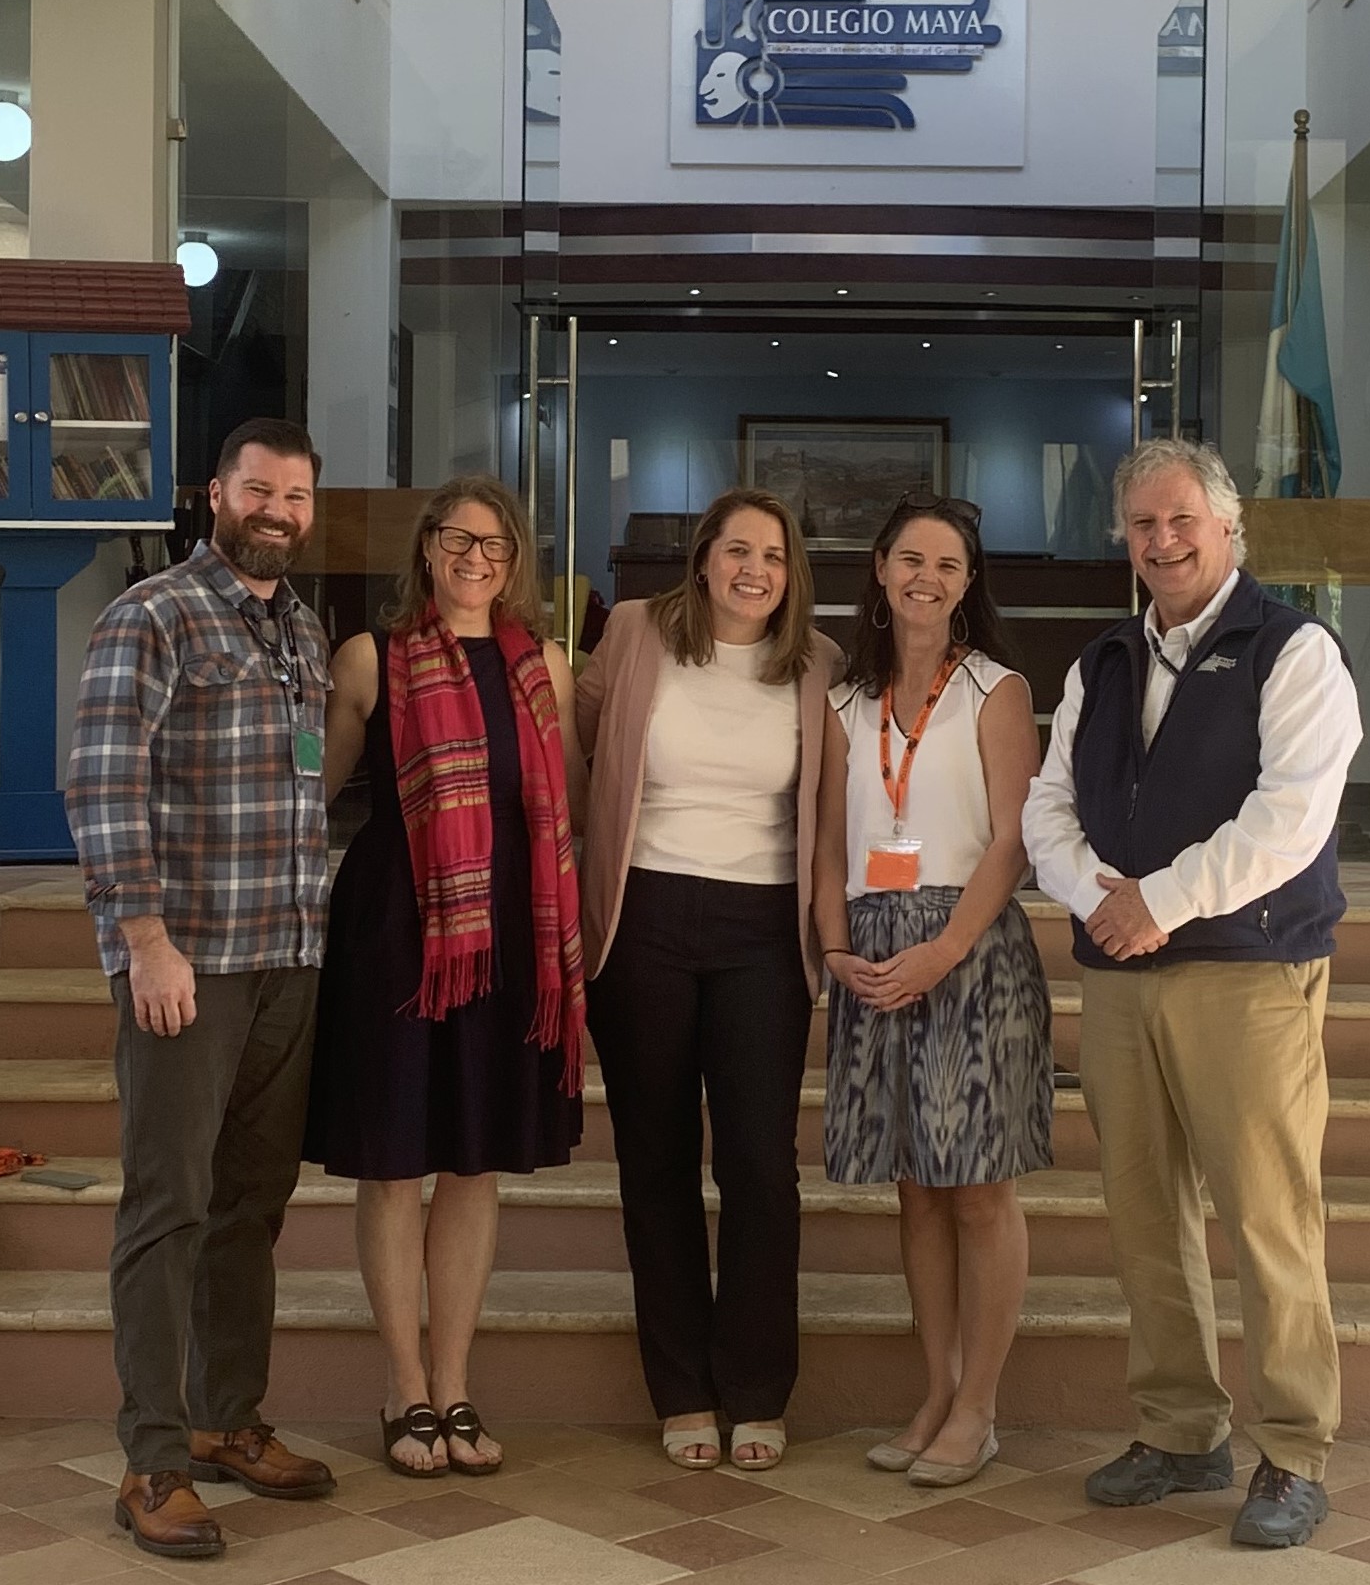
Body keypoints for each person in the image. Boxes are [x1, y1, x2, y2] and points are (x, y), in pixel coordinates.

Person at [1023, 437, 1362, 1549]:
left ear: (1228, 528)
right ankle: (1179, 1432)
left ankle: (1294, 1450)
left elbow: (1290, 817)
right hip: (1122, 974)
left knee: (1266, 1216)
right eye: (1142, 525)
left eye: (1181, 521)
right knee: (1145, 1214)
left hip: (1246, 971)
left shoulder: (1295, 650)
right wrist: (1101, 898)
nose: (1162, 541)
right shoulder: (1104, 661)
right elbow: (1047, 806)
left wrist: (1159, 900)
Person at [65, 418, 336, 1559]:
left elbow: (305, 782)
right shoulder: (153, 615)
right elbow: (102, 779)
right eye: (259, 490)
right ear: (216, 494)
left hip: (286, 957)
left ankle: (228, 1419)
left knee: (250, 1204)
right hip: (189, 964)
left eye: (296, 495)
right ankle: (153, 1460)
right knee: (168, 1205)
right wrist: (145, 937)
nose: (278, 510)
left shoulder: (303, 629)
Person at [305, 478, 586, 1477]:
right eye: (458, 539)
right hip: (395, 929)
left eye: (495, 544)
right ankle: (404, 1384)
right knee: (393, 1166)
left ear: (516, 561)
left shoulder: (545, 665)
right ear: (426, 548)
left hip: (508, 933)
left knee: (473, 1163)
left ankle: (455, 1382)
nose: (476, 558)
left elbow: (568, 800)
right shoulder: (368, 658)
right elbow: (313, 785)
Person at [578, 488, 839, 1471]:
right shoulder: (636, 632)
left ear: (791, 572)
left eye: (772, 555)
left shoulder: (819, 663)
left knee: (761, 1168)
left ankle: (758, 1388)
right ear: (702, 559)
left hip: (763, 930)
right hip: (641, 916)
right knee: (655, 1162)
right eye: (736, 549)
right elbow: (577, 745)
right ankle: (682, 1388)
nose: (753, 570)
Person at [816, 491, 1052, 1489]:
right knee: (914, 1188)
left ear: (967, 583)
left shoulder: (996, 689)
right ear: (879, 568)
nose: (927, 577)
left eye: (948, 564)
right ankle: (936, 1390)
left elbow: (1013, 839)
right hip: (872, 949)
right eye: (911, 558)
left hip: (970, 949)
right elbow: (828, 842)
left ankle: (981, 1407)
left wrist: (945, 949)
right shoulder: (845, 702)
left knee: (979, 1188)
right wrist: (835, 948)